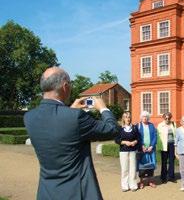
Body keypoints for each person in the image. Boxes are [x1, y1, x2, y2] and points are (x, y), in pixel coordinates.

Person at [23, 67, 118, 200]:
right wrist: (103, 108)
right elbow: (112, 129)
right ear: (65, 86)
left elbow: (57, 127)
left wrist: (70, 110)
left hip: (47, 192)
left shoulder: (29, 117)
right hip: (77, 192)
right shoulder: (76, 117)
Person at [115, 112, 139, 192]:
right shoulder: (120, 128)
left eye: (129, 117)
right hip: (123, 151)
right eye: (126, 117)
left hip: (132, 151)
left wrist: (134, 142)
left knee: (133, 168)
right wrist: (125, 142)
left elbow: (138, 138)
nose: (128, 119)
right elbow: (117, 140)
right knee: (124, 169)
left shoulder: (135, 128)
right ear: (123, 119)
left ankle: (133, 185)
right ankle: (125, 186)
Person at [136, 111, 157, 189]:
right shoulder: (138, 126)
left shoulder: (151, 125)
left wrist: (151, 146)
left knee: (151, 165)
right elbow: (137, 137)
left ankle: (150, 181)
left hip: (151, 149)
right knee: (142, 166)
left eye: (146, 117)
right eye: (143, 117)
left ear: (148, 118)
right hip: (142, 150)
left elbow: (155, 136)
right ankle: (141, 182)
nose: (145, 118)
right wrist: (142, 146)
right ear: (141, 118)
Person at [157, 112, 177, 183]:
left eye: (169, 118)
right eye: (166, 118)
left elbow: (176, 135)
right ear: (163, 118)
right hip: (164, 145)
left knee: (172, 161)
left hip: (172, 144)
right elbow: (158, 136)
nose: (167, 119)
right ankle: (163, 177)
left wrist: (176, 144)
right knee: (164, 161)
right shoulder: (160, 125)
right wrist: (159, 146)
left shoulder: (173, 124)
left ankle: (171, 176)